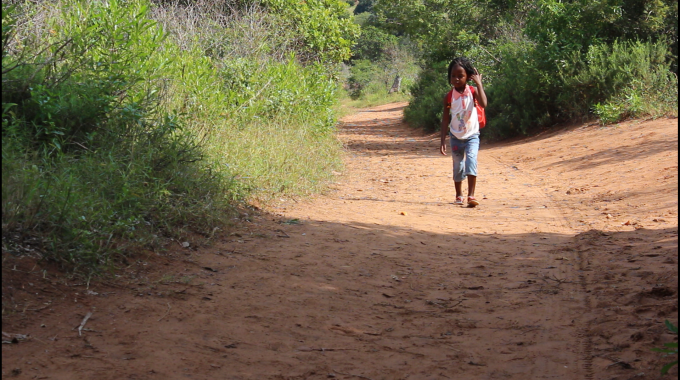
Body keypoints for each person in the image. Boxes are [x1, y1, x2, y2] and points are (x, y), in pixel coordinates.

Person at [439, 57, 487, 207]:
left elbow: (484, 103)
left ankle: (471, 195)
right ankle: (459, 194)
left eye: (460, 75)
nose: (456, 79)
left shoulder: (472, 91)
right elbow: (445, 119)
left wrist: (479, 84)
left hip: (472, 135)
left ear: (468, 75)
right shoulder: (449, 97)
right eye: (453, 76)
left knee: (471, 161)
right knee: (458, 165)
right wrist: (442, 140)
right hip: (455, 137)